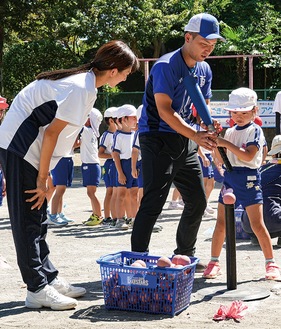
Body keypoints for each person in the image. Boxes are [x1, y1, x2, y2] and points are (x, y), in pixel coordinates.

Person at [0, 40, 139, 310]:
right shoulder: (79, 88)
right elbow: (51, 133)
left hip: (32, 151)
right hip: (19, 149)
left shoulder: (87, 87)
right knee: (28, 218)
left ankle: (48, 277)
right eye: (125, 73)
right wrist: (41, 179)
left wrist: (46, 172)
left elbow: (57, 136)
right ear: (113, 70)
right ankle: (36, 288)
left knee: (38, 218)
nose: (125, 78)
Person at [131, 13, 224, 272]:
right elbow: (164, 110)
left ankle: (184, 255)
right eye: (204, 43)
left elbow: (200, 106)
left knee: (197, 199)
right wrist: (195, 135)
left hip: (186, 138)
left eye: (213, 45)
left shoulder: (204, 69)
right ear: (188, 37)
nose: (208, 49)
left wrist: (206, 126)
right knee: (154, 200)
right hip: (158, 137)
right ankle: (136, 258)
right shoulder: (166, 65)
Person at [203, 87, 280, 280]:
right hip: (230, 178)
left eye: (244, 112)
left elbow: (249, 155)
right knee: (221, 223)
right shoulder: (229, 132)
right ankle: (214, 262)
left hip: (249, 179)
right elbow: (219, 159)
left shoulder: (255, 130)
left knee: (257, 224)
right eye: (235, 112)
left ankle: (271, 263)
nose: (238, 116)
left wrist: (225, 143)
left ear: (255, 111)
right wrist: (214, 143)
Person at [242, 134, 281, 246]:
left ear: (273, 153)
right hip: (275, 222)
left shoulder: (260, 170)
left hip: (249, 225)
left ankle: (257, 238)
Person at [112, 104, 138, 230]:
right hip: (124, 165)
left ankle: (134, 218)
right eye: (132, 117)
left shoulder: (135, 134)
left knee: (134, 193)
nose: (135, 120)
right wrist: (120, 173)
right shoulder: (118, 135)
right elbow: (115, 154)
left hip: (134, 165)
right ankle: (120, 219)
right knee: (121, 194)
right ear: (124, 119)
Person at [80, 108, 104, 226]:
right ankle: (96, 214)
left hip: (90, 165)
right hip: (90, 164)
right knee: (91, 192)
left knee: (91, 193)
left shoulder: (87, 130)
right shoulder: (91, 131)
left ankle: (98, 216)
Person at [98, 107, 118, 225]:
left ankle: (118, 215)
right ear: (111, 120)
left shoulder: (121, 134)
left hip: (119, 164)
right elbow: (100, 153)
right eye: (117, 119)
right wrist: (114, 156)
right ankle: (107, 217)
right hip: (110, 165)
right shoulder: (106, 135)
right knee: (110, 191)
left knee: (118, 191)